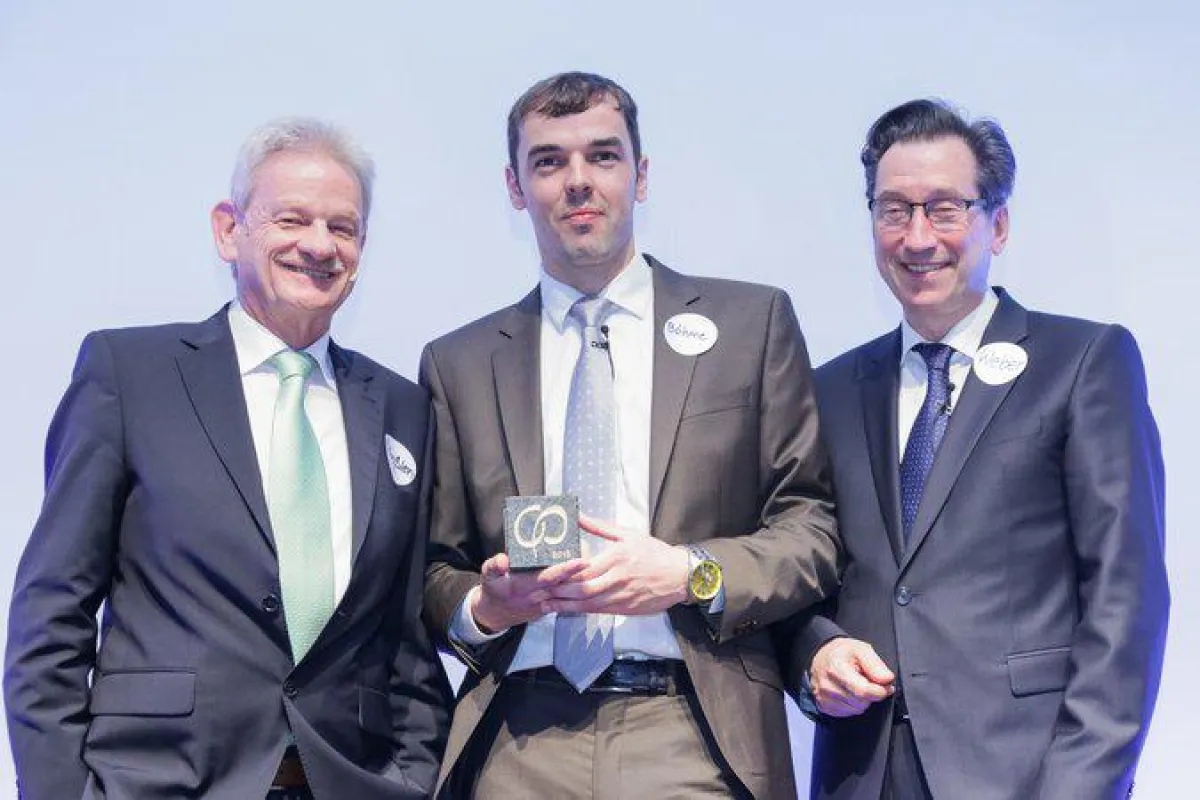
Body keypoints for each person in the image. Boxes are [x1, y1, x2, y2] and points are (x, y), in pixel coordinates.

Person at [420, 71, 840, 799]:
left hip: (692, 729)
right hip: (518, 738)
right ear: (515, 188)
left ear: (640, 175)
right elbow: (433, 570)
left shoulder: (751, 326)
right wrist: (487, 607)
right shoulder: (457, 363)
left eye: (603, 156)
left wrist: (689, 571)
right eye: (549, 161)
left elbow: (811, 529)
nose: (578, 181)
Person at [4, 118, 452, 799]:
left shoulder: (401, 407)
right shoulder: (129, 374)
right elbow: (52, 613)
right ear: (228, 229)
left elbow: (407, 645)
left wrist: (414, 780)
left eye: (344, 227)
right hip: (157, 782)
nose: (319, 245)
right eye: (292, 219)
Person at [784, 99, 1170, 800]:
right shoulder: (828, 389)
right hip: (863, 774)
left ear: (998, 223)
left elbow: (1125, 598)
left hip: (1024, 775)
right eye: (893, 210)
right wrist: (814, 655)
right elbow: (797, 572)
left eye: (944, 208)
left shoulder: (1082, 361)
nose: (917, 235)